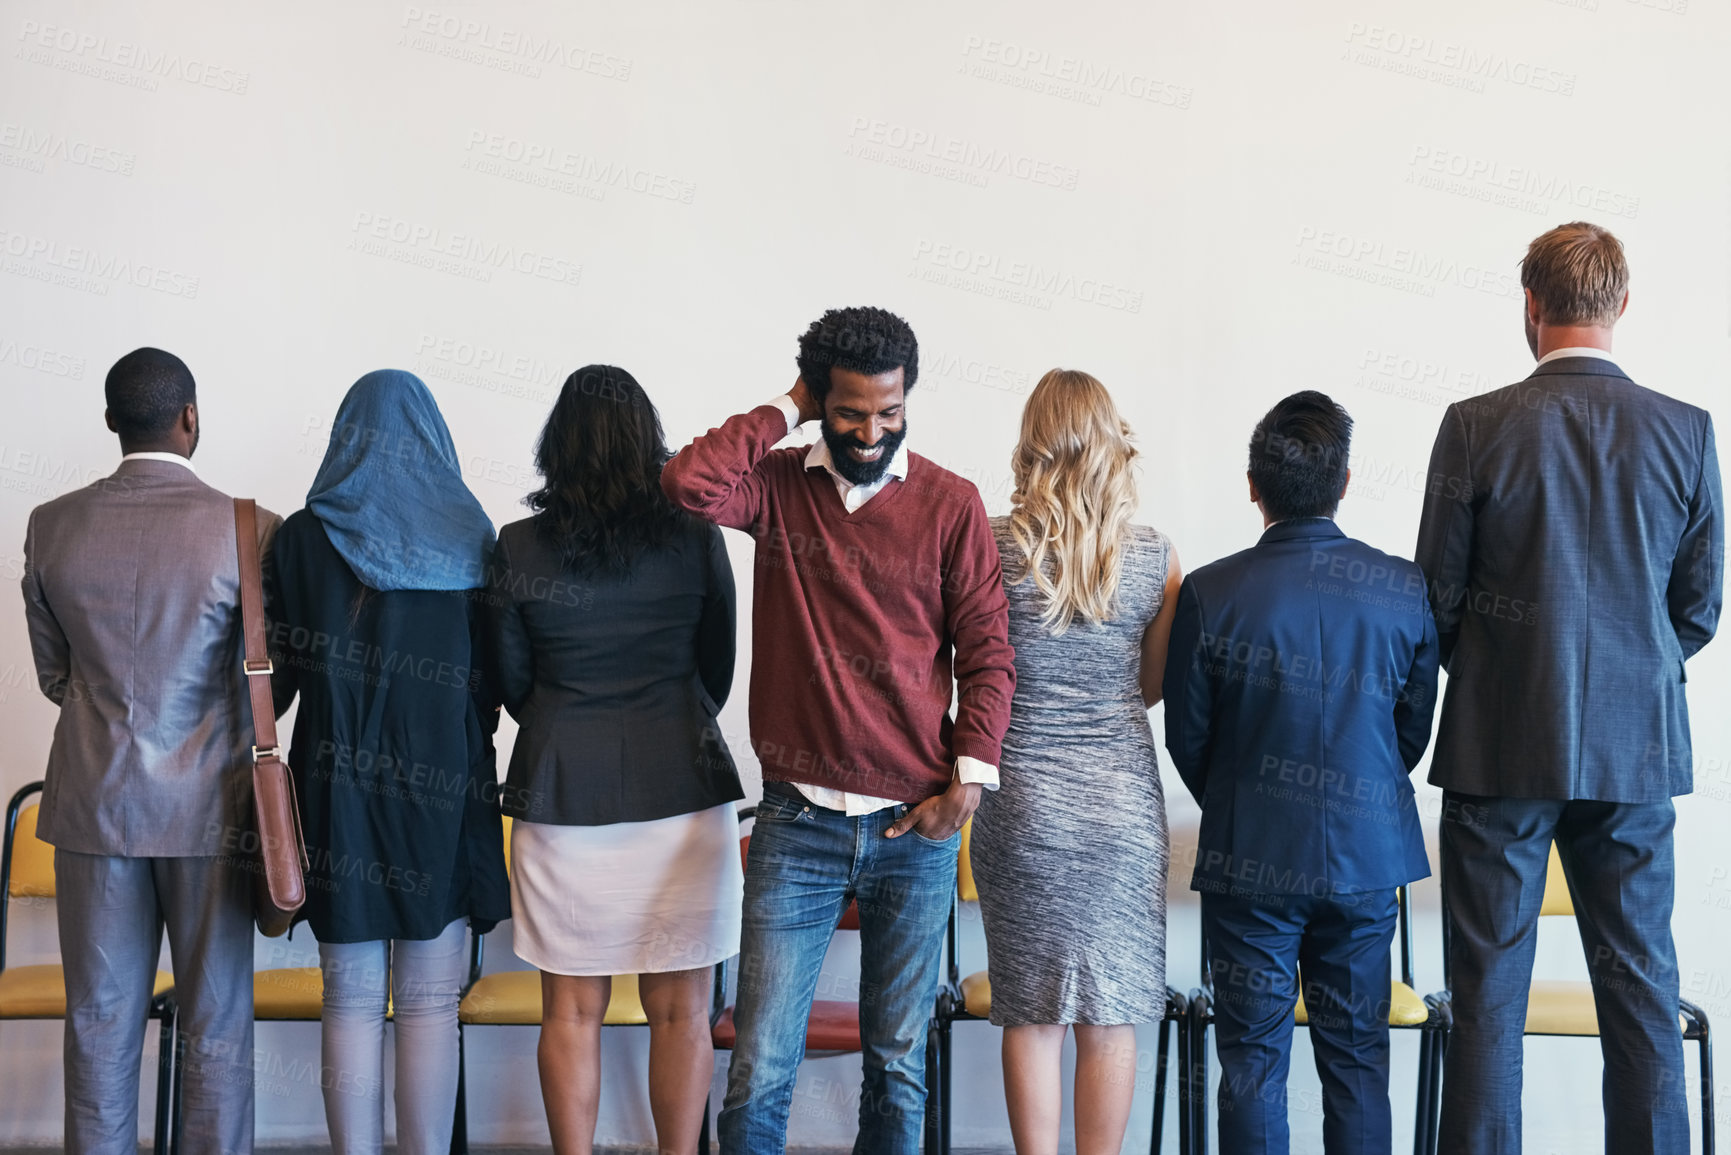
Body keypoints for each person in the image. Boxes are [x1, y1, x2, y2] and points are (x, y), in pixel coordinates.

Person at [661, 306, 1016, 1152]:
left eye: (889, 413)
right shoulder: (779, 485)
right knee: (761, 1061)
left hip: (916, 826)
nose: (870, 430)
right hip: (798, 823)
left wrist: (966, 781)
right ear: (823, 400)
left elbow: (990, 652)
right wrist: (788, 403)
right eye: (850, 412)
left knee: (895, 1063)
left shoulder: (949, 503)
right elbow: (687, 483)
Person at [1417, 223, 1722, 1154]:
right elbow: (1697, 608)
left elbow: (1435, 600)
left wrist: (1507, 672)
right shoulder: (1685, 430)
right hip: (1633, 751)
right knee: (1639, 991)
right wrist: (1628, 669)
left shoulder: (1474, 424)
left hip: (1498, 744)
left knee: (1487, 993)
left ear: (1530, 306)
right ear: (1620, 305)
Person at [1163, 391, 1439, 1155]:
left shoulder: (1211, 592)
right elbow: (1408, 728)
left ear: (1252, 484)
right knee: (1356, 1062)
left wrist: (1240, 797)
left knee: (1250, 1061)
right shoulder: (1401, 588)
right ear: (1344, 481)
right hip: (1363, 858)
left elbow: (1188, 734)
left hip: (1249, 855)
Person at [487, 365, 745, 1155]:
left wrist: (571, 723)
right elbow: (717, 669)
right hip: (685, 789)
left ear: (554, 445)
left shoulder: (518, 545)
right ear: (650, 442)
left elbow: (511, 681)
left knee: (568, 1010)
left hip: (564, 797)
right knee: (683, 1011)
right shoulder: (695, 537)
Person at [19, 347, 269, 1155]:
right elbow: (268, 677)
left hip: (93, 805)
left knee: (97, 1019)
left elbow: (56, 675)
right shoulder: (247, 526)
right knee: (218, 1023)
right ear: (189, 417)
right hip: (211, 812)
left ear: (109, 422)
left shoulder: (51, 524)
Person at [266, 369, 509, 1155]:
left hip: (336, 793)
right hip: (443, 791)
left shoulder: (303, 539)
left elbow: (279, 679)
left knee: (349, 999)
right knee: (434, 1004)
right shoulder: (474, 538)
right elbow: (493, 683)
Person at [969, 369, 1182, 1155]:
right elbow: (1149, 685)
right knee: (1111, 1010)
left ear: (1032, 441)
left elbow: (966, 672)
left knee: (1031, 1010)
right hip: (1123, 809)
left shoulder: (988, 544)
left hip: (1020, 805)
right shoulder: (1154, 555)